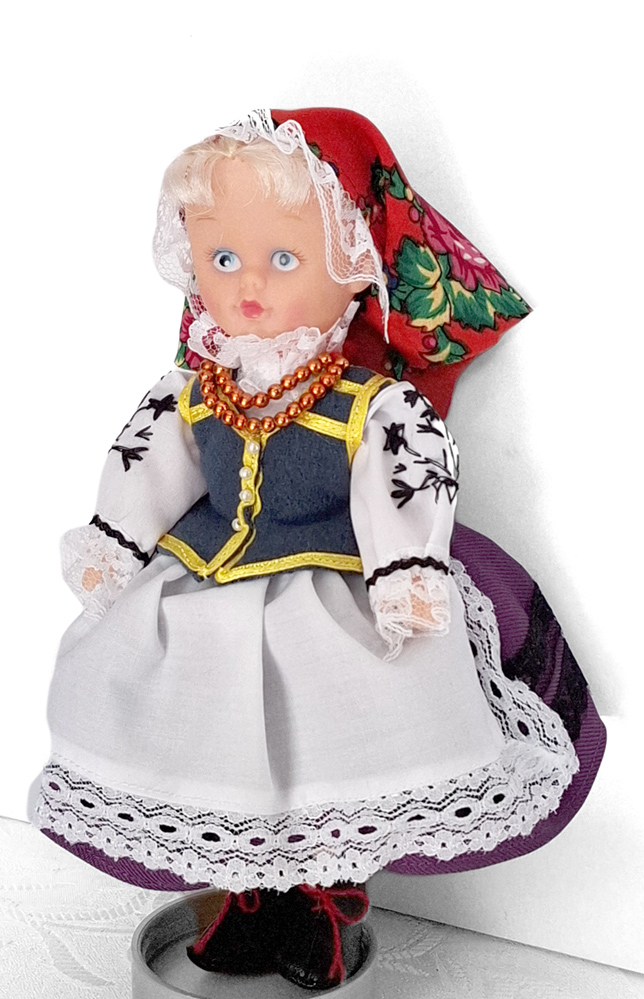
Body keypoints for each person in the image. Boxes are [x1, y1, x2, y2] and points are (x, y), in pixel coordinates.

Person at [32, 108, 605, 990]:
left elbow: (404, 480)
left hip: (330, 590)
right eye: (224, 259)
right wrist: (114, 542)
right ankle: (249, 899)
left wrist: (405, 571)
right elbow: (148, 465)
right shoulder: (195, 390)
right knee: (203, 741)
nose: (249, 286)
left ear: (355, 266)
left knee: (337, 747)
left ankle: (318, 903)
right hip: (206, 585)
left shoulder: (371, 403)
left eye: (284, 258)